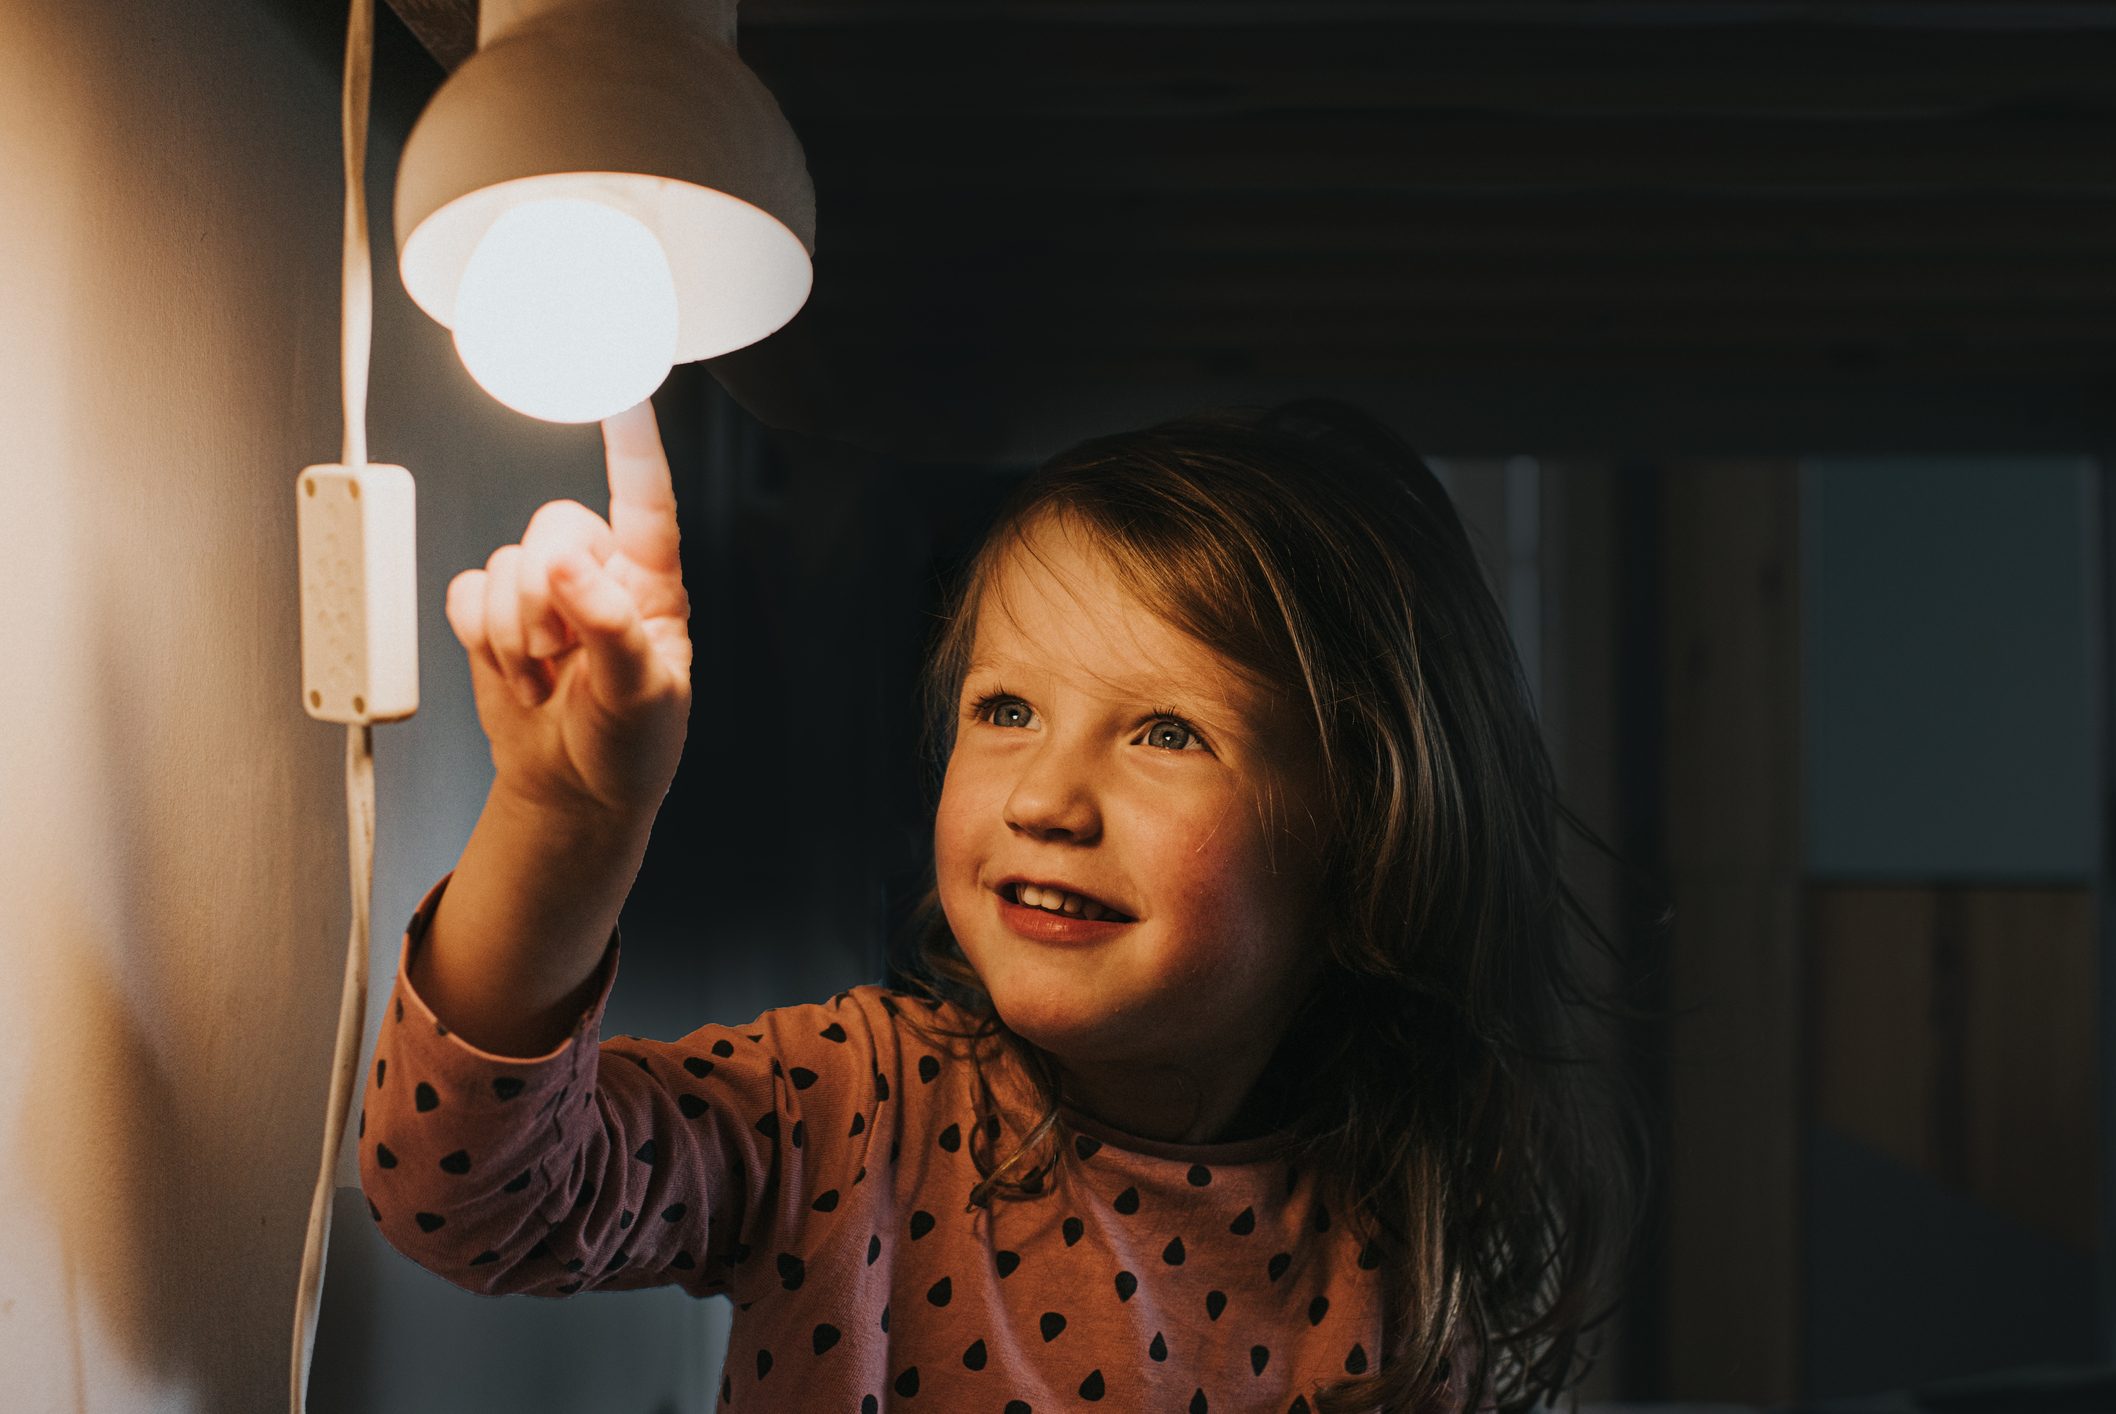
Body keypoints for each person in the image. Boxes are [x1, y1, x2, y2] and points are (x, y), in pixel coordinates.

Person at [360, 395, 1653, 1413]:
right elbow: (467, 1193)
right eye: (1005, 708)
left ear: (1366, 827)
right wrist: (568, 822)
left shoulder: (1396, 1256)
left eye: (1163, 731)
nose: (1046, 795)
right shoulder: (855, 1104)